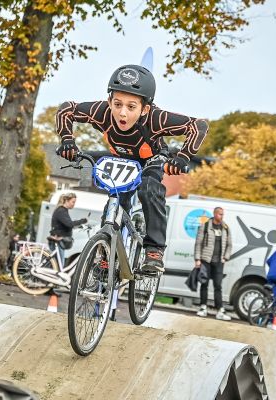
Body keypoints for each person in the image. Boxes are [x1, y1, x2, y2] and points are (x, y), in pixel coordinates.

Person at [55, 64, 208, 274]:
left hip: (152, 159)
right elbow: (67, 109)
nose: (122, 113)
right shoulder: (101, 112)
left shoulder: (156, 118)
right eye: (117, 104)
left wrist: (182, 157)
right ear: (109, 101)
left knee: (149, 188)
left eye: (131, 106)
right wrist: (67, 140)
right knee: (116, 199)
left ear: (145, 108)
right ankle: (106, 253)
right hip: (122, 160)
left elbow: (198, 126)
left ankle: (154, 250)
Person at [194, 207, 233, 320]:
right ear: (215, 214)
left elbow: (229, 244)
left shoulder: (225, 228)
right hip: (206, 260)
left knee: (218, 285)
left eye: (223, 214)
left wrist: (225, 258)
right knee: (204, 284)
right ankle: (203, 307)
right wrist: (197, 259)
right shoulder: (205, 226)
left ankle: (220, 310)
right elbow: (198, 243)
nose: (222, 216)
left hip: (219, 262)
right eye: (220, 214)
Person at [48, 193, 87, 268]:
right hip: (58, 240)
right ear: (66, 201)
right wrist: (82, 221)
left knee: (57, 264)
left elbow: (67, 225)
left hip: (59, 240)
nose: (74, 204)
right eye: (73, 202)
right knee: (59, 265)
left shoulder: (63, 210)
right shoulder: (61, 211)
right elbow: (69, 224)